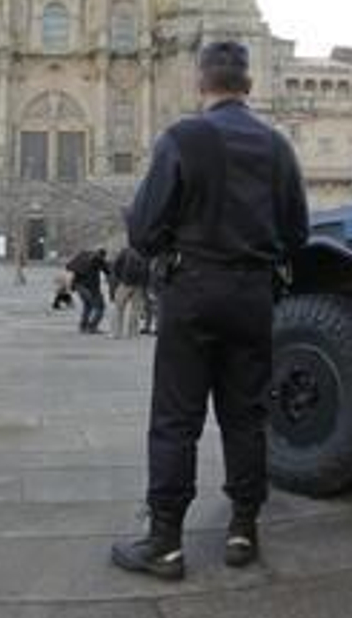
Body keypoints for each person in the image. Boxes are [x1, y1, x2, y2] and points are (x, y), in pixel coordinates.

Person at [112, 40, 309, 581]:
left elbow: (146, 232)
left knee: (176, 418)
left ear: (201, 82)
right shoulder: (277, 145)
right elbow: (298, 234)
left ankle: (166, 542)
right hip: (253, 297)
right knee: (246, 416)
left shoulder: (182, 137)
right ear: (249, 85)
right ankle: (244, 526)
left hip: (193, 291)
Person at [109, 246, 150, 340]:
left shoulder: (126, 251)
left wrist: (120, 278)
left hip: (125, 283)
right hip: (139, 285)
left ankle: (116, 333)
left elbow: (116, 266)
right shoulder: (146, 252)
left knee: (118, 308)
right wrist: (145, 285)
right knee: (135, 310)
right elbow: (148, 271)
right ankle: (133, 333)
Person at [67, 248, 108, 333]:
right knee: (100, 307)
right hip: (89, 287)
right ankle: (92, 327)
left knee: (88, 305)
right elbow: (108, 271)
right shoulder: (99, 261)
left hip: (80, 286)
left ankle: (83, 326)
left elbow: (69, 266)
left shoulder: (83, 256)